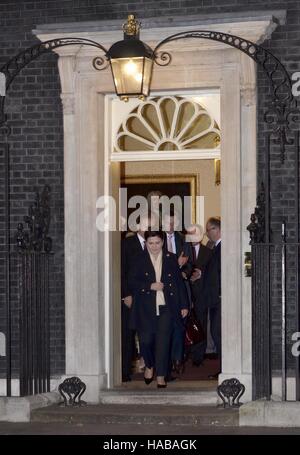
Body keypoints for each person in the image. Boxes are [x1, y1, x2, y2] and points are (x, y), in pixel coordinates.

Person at [128, 230, 189, 388]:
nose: (154, 246)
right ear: (146, 243)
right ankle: (149, 364)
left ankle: (161, 375)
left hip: (167, 307)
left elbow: (178, 283)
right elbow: (132, 282)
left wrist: (184, 305)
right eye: (151, 243)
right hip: (145, 308)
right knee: (146, 341)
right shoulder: (138, 259)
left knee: (163, 342)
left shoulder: (171, 258)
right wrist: (150, 286)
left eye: (157, 243)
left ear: (162, 242)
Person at [121, 212, 156, 382]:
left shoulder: (156, 243)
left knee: (149, 334)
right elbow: (122, 270)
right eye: (146, 225)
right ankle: (124, 371)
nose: (150, 229)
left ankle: (151, 366)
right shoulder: (126, 244)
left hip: (150, 297)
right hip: (131, 298)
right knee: (128, 335)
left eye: (152, 225)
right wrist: (126, 294)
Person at [162, 211, 192, 375]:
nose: (171, 225)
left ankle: (178, 359)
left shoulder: (183, 239)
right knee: (166, 326)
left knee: (179, 326)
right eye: (168, 222)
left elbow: (190, 263)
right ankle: (166, 360)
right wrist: (176, 265)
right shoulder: (157, 239)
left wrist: (183, 272)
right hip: (164, 290)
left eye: (174, 222)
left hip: (181, 289)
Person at [186, 224, 212, 366]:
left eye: (194, 233)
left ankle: (198, 356)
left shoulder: (208, 252)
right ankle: (185, 353)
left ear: (201, 235)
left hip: (202, 294)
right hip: (185, 294)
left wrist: (200, 274)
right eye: (189, 233)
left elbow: (212, 272)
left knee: (200, 323)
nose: (191, 236)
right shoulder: (183, 250)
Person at [203, 216, 221, 379]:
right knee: (216, 333)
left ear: (217, 229)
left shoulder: (223, 246)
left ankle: (224, 368)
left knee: (217, 332)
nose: (207, 234)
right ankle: (222, 367)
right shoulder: (213, 246)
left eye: (209, 230)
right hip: (213, 297)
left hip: (220, 297)